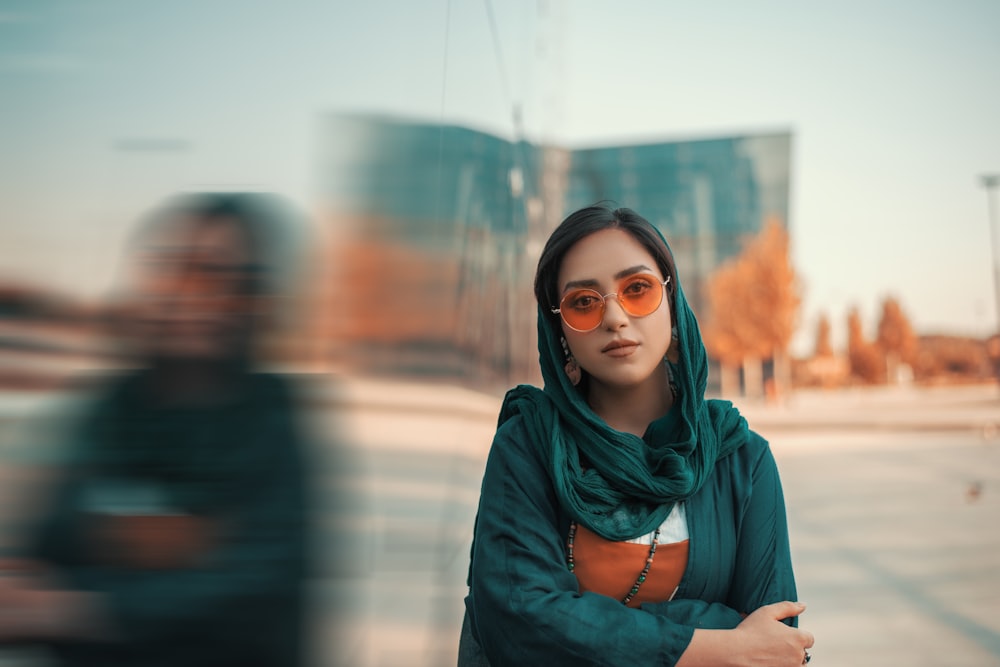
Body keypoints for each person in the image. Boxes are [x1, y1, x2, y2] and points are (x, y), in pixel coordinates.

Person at [460, 205, 814, 666]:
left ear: (672, 301)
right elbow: (519, 623)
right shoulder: (529, 444)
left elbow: (775, 647)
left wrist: (586, 627)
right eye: (584, 301)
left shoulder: (740, 459)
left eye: (638, 289)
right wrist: (715, 642)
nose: (615, 317)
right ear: (559, 331)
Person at [0, 193, 312, 667]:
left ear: (251, 299)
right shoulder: (113, 406)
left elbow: (254, 584)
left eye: (218, 276)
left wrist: (80, 604)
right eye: (176, 268)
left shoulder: (270, 416)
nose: (191, 295)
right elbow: (54, 542)